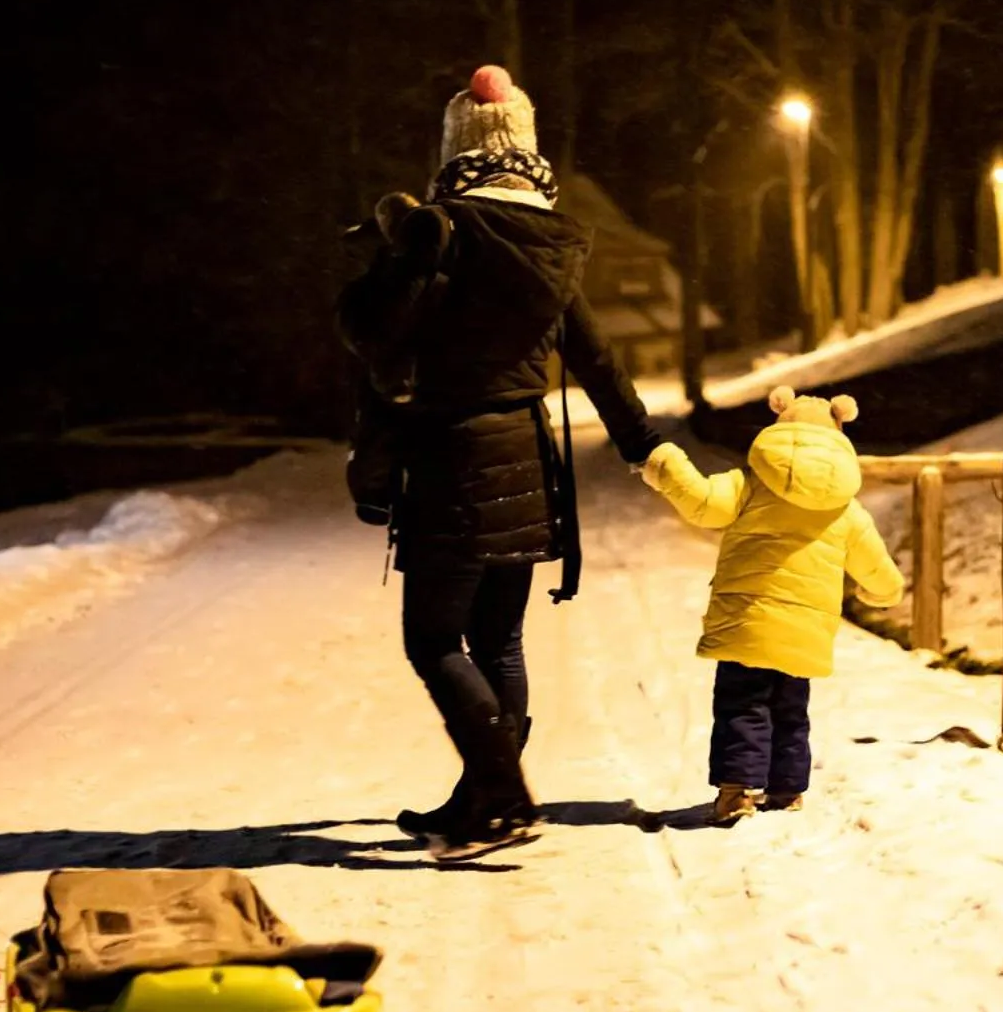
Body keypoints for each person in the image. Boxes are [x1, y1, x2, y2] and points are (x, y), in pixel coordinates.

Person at [338, 65, 664, 861]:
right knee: (500, 641)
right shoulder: (547, 249)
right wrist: (643, 444)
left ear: (456, 152)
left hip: (453, 456)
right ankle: (482, 796)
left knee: (434, 641)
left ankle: (505, 792)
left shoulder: (441, 238)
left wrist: (396, 248)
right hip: (528, 456)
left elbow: (375, 338)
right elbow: (595, 358)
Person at [638, 386, 904, 822]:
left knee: (742, 704)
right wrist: (882, 593)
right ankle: (787, 788)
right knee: (790, 709)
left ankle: (735, 792)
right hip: (805, 630)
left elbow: (703, 503)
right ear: (840, 433)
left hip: (747, 618)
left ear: (780, 423)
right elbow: (875, 566)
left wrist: (667, 465)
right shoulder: (845, 509)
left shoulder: (750, 482)